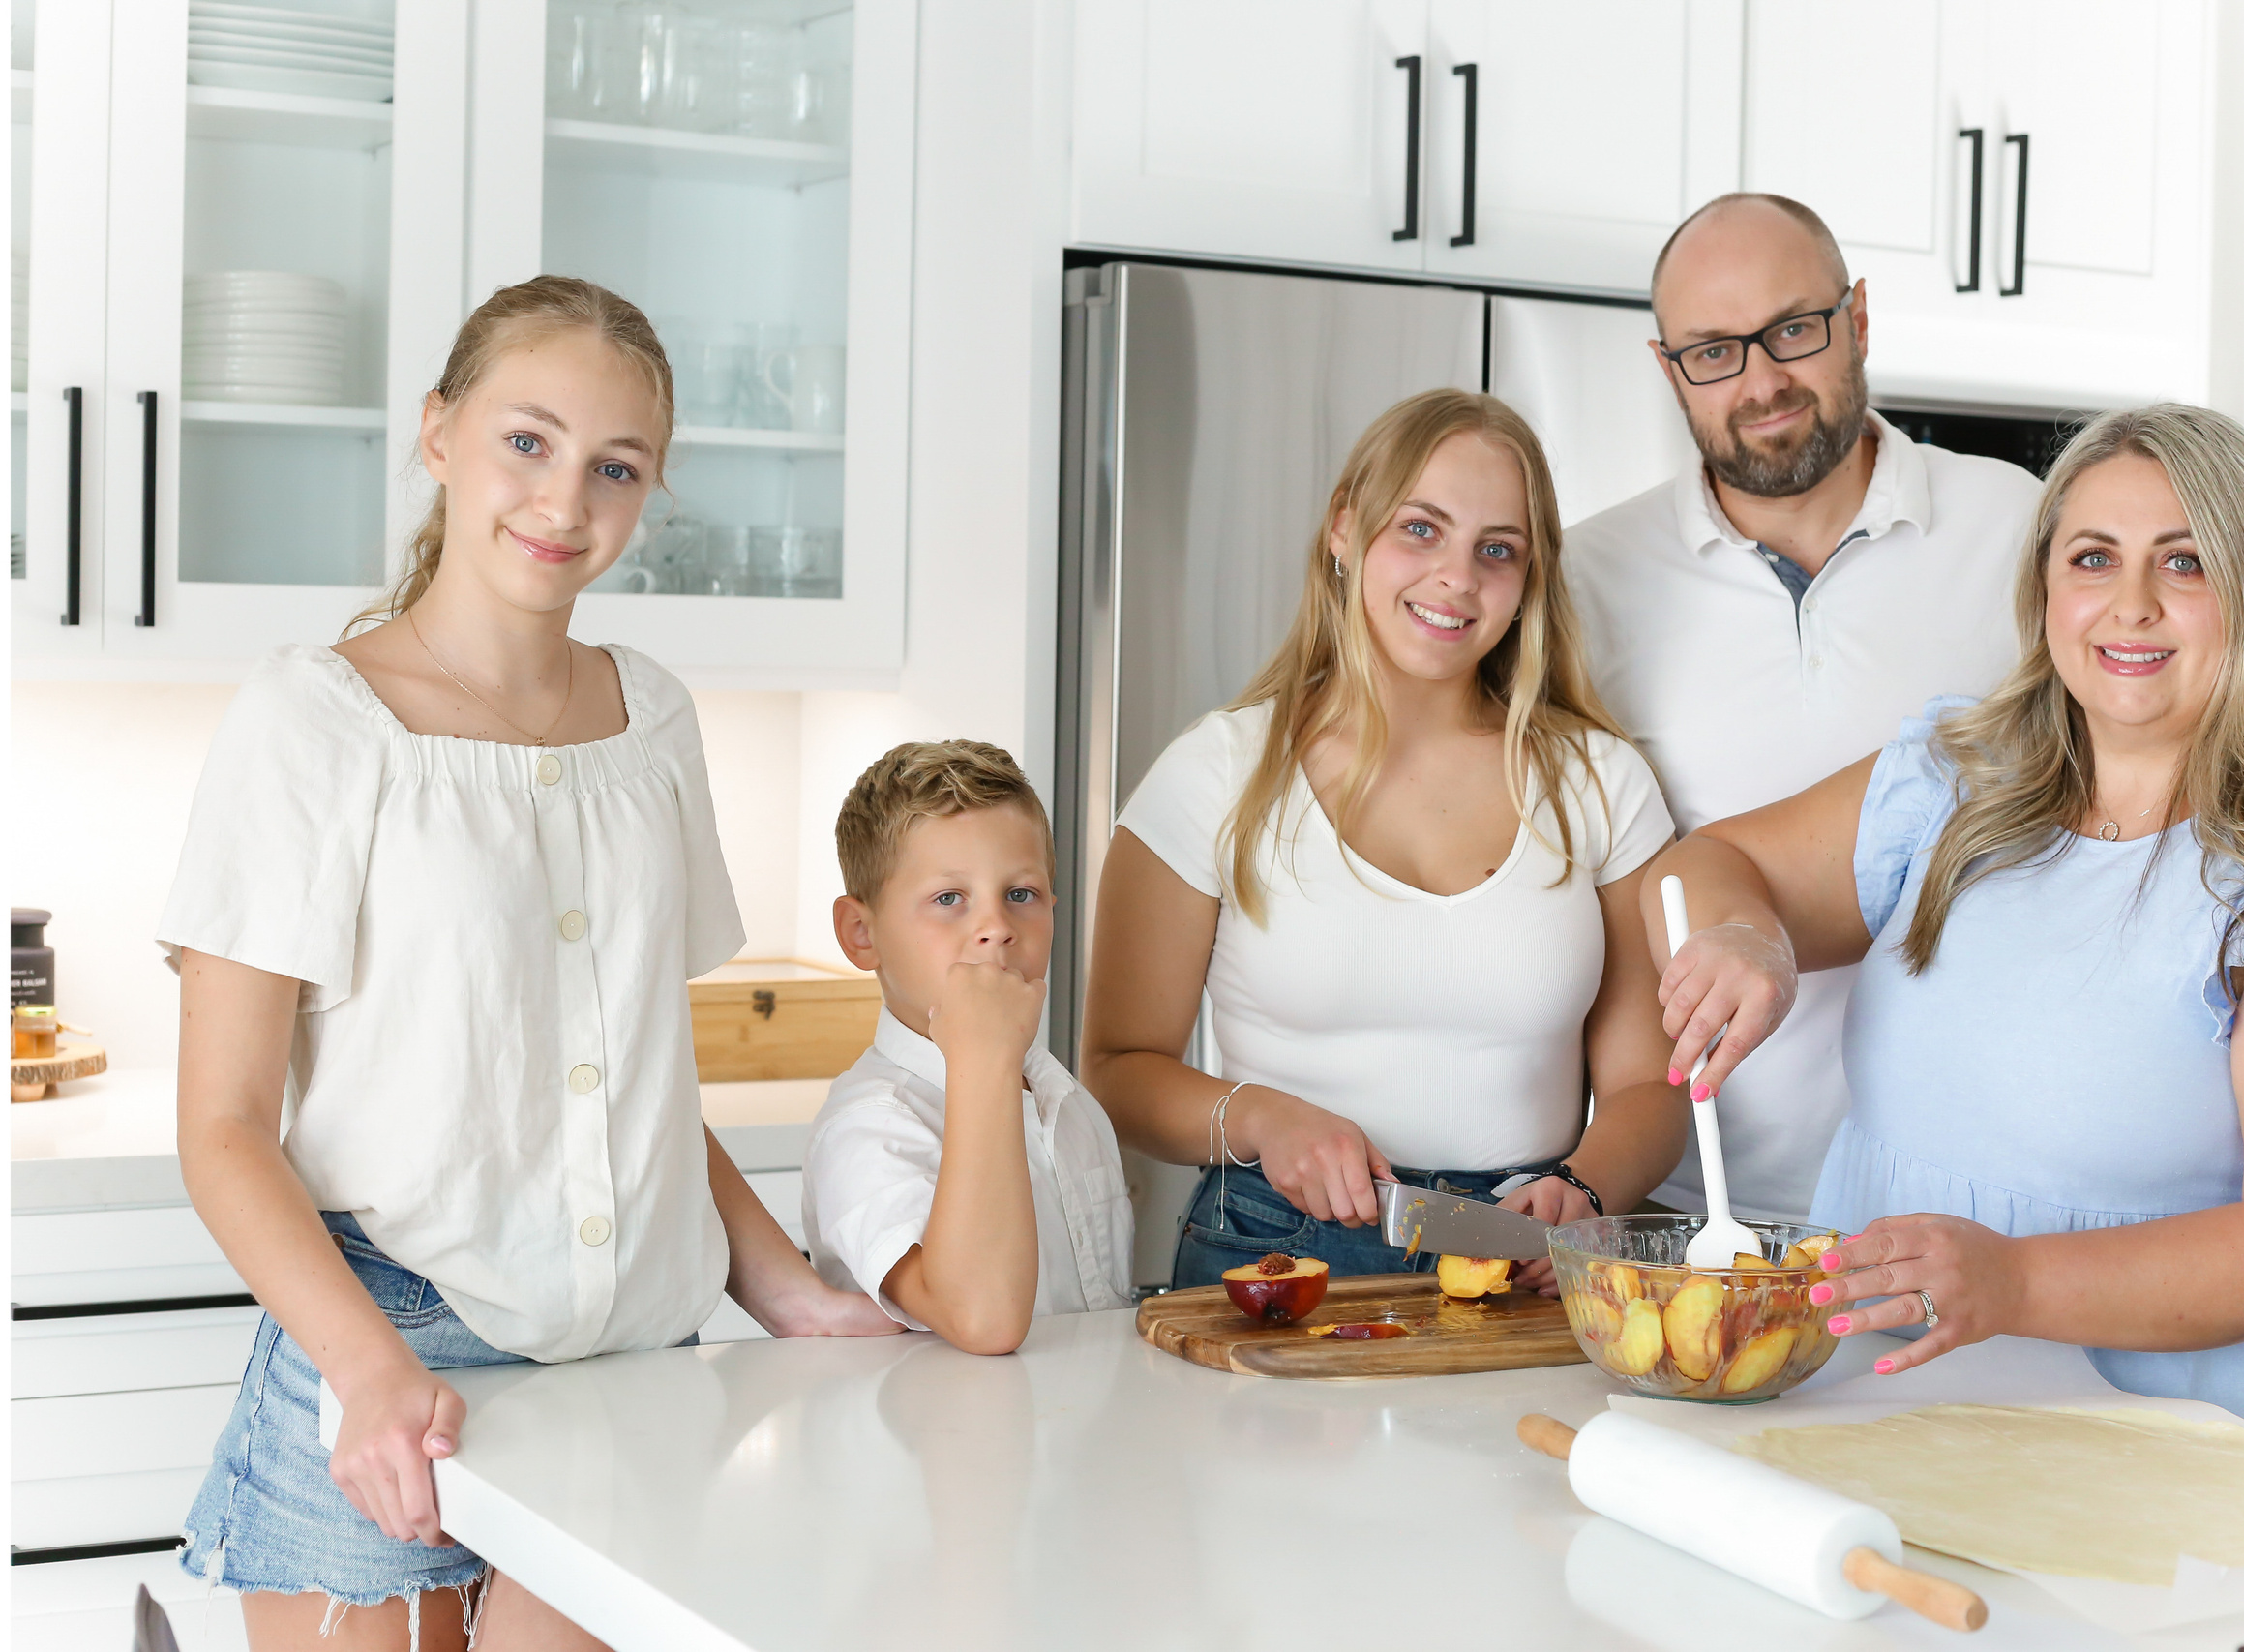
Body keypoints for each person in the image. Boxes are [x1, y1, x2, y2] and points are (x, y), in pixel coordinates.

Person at [163, 277, 900, 1651]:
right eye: (528, 440)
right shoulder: (311, 721)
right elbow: (219, 1128)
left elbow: (639, 1084)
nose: (566, 501)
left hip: (635, 1374)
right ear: (438, 433)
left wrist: (786, 1288)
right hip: (394, 1344)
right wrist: (368, 1368)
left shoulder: (654, 718)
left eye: (615, 467)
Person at [1647, 404, 2244, 1457]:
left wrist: (2014, 1280)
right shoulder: (1955, 781)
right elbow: (1712, 865)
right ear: (2044, 592)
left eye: (2185, 564)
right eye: (2092, 559)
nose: (2130, 606)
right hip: (1878, 1413)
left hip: (2180, 1463)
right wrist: (1749, 936)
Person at [1082, 389, 1686, 1289]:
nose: (1456, 577)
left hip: (1530, 1252)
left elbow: (1650, 1087)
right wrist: (1264, 1120)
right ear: (1343, 528)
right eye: (1420, 529)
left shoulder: (1600, 783)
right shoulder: (1218, 774)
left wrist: (1585, 1189)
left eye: (1497, 550)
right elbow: (1116, 1069)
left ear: (1529, 580)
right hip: (1276, 1248)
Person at [1564, 192, 2044, 1222]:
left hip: (1970, 1208)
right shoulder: (1587, 582)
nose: (1761, 381)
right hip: (1691, 1207)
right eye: (1712, 352)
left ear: (1857, 319)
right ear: (1666, 369)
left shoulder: (2019, 529)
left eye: (1792, 329)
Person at [802, 740, 1134, 1351]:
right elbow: (982, 1320)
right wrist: (983, 1055)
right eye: (949, 899)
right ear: (861, 933)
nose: (998, 927)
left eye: (1021, 895)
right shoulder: (869, 1130)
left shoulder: (1067, 1101)